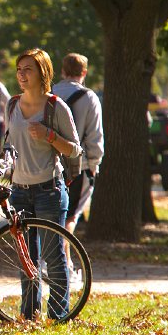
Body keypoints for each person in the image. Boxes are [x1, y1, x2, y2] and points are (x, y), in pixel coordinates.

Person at [6, 48, 82, 320]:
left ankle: (58, 314)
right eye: (19, 69)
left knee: (53, 257)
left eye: (28, 69)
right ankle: (29, 314)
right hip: (19, 192)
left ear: (43, 73)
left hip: (49, 190)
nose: (22, 75)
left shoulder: (55, 106)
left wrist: (49, 135)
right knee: (26, 259)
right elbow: (9, 145)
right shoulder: (12, 104)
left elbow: (75, 150)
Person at [51, 53, 104, 234]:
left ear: (63, 71)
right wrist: (95, 163)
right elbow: (94, 135)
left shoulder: (50, 94)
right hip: (79, 166)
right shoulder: (90, 98)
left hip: (50, 164)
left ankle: (55, 258)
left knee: (52, 215)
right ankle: (64, 259)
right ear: (85, 72)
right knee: (72, 216)